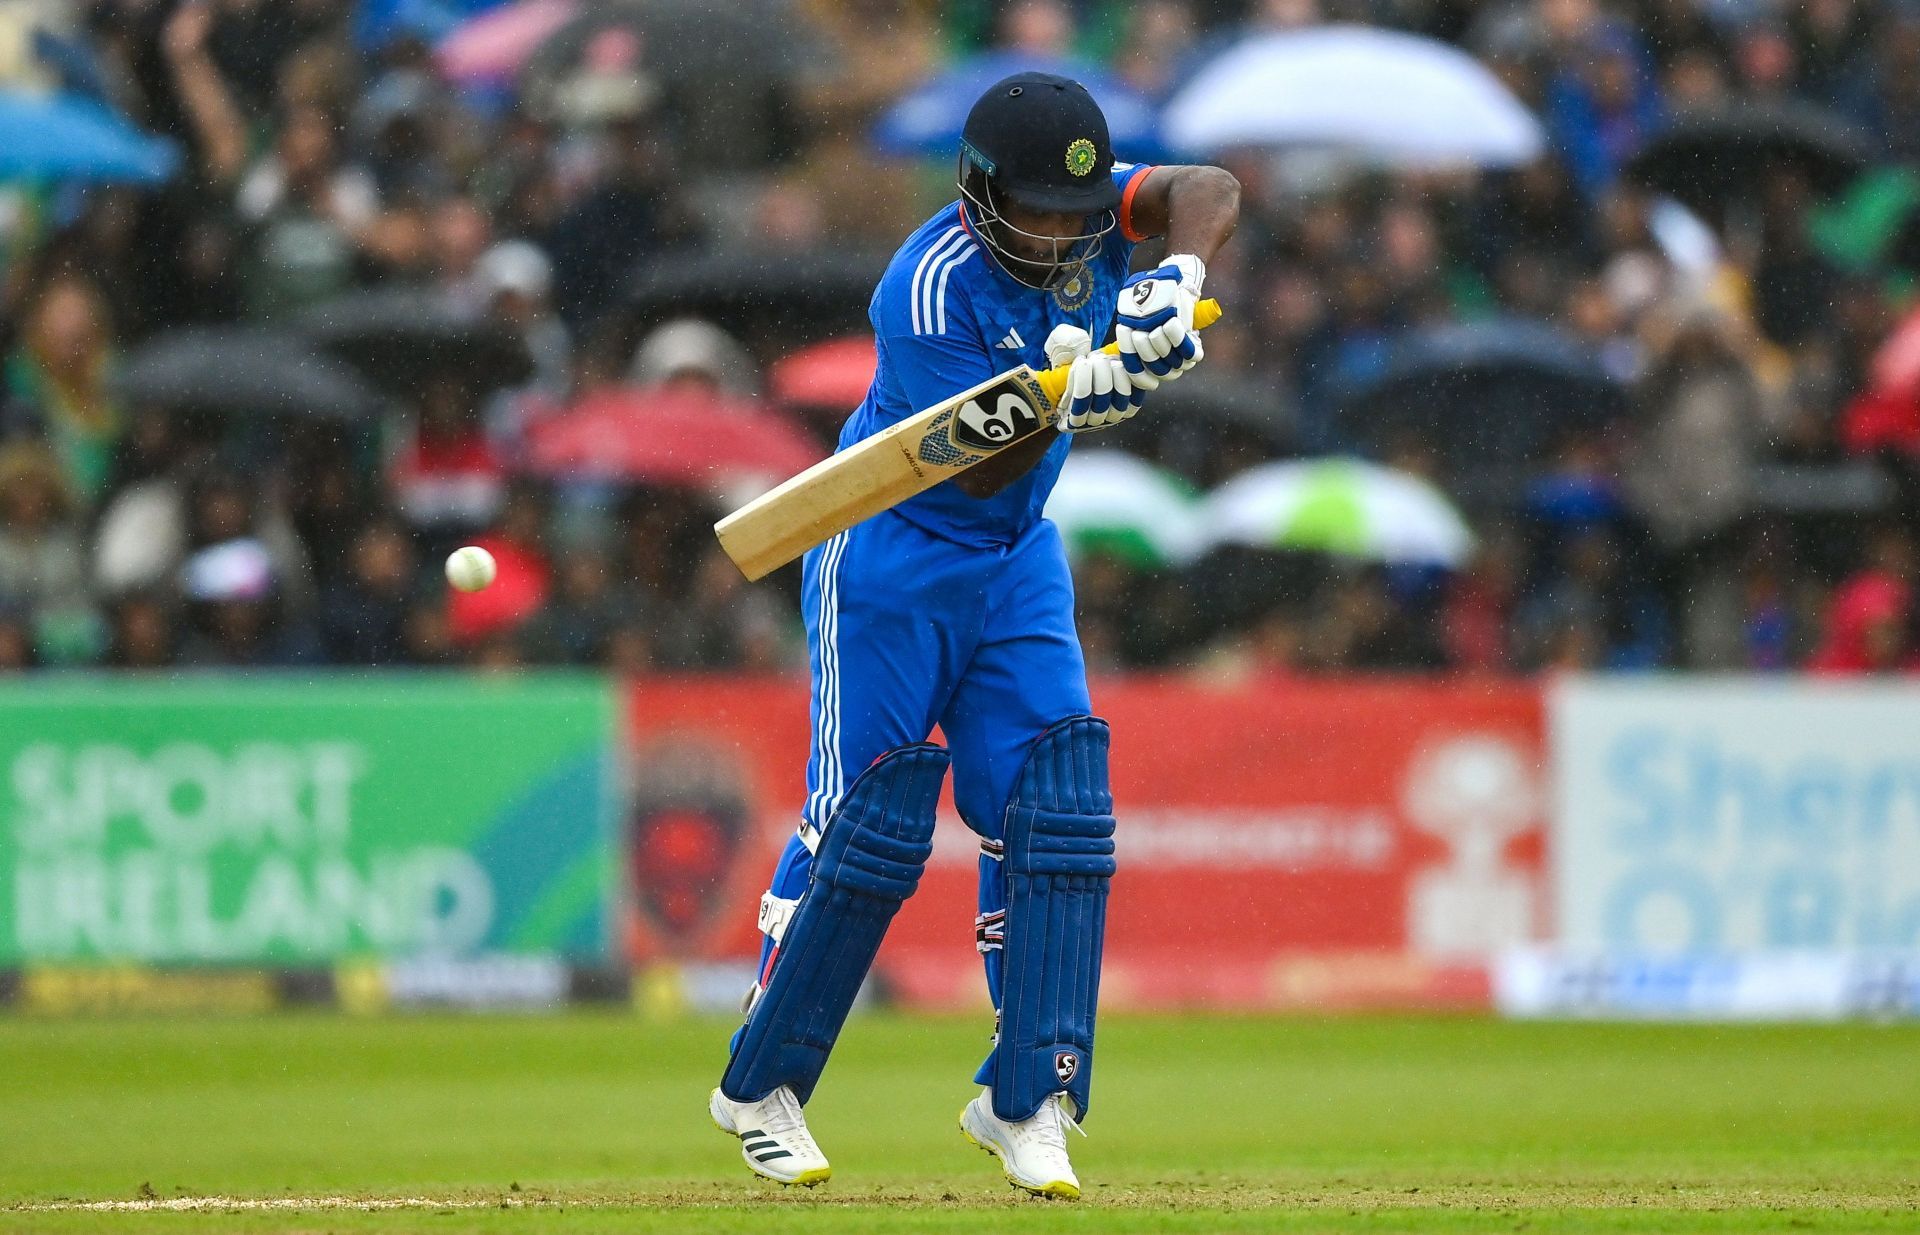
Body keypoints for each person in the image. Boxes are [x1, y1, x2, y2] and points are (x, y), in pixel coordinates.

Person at [706, 73, 1238, 1197]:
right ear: (979, 194)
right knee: (870, 823)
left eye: (1076, 214)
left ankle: (1028, 1096)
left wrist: (1175, 276)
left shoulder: (1094, 221)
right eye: (1035, 209)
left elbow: (1210, 185)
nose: (1058, 234)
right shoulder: (925, 286)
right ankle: (760, 1084)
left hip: (1016, 557)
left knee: (1058, 805)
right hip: (893, 552)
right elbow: (972, 453)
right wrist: (1076, 394)